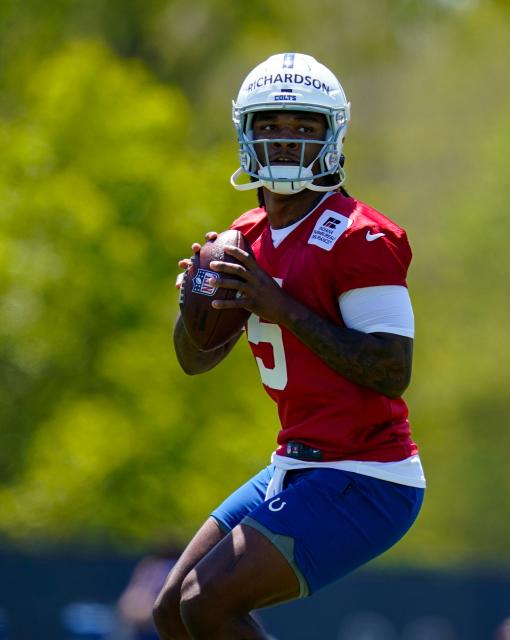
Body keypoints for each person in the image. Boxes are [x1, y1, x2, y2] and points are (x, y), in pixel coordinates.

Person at [153, 52, 425, 639]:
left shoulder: (362, 237)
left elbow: (390, 368)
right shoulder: (243, 236)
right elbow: (193, 361)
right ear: (245, 133)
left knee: (206, 603)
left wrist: (274, 303)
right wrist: (195, 307)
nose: (285, 141)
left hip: (368, 474)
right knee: (171, 606)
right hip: (296, 462)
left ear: (334, 135)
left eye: (305, 127)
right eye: (271, 126)